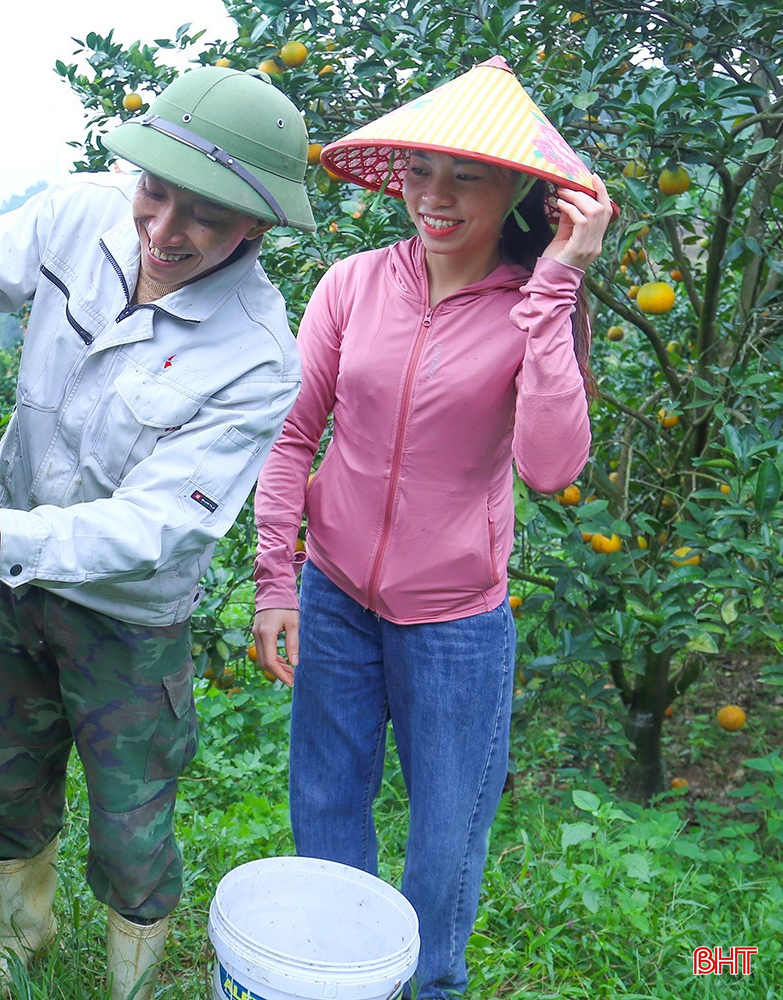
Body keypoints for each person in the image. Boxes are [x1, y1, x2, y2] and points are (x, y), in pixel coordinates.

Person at [0, 66, 316, 1000]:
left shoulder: (256, 354)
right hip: (17, 583)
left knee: (131, 822)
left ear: (257, 227)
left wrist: (2, 537)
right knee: (6, 779)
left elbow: (157, 524)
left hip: (126, 616)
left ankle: (134, 981)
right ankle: (22, 941)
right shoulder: (79, 213)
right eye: (155, 195)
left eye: (202, 216)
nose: (162, 232)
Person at [250, 56, 614, 999]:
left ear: (516, 191)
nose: (435, 196)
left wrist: (556, 290)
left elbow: (550, 467)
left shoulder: (537, 310)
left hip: (456, 622)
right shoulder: (353, 284)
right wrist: (275, 583)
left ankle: (433, 985)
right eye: (420, 170)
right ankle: (335, 975)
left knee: (447, 833)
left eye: (468, 176)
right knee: (325, 807)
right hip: (332, 593)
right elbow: (291, 437)